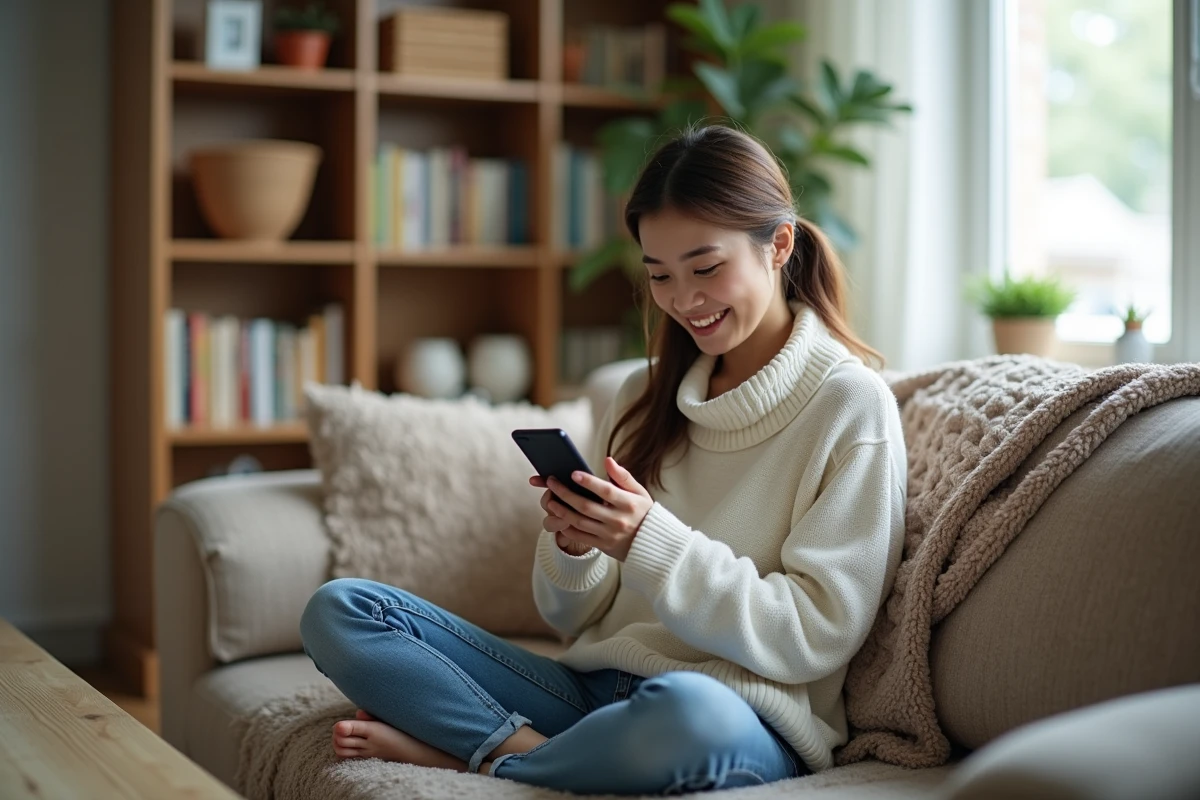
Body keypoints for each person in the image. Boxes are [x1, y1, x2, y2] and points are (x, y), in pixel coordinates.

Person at [299, 124, 907, 795]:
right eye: (660, 276)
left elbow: (814, 634)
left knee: (685, 715)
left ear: (779, 244)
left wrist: (649, 540)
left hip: (732, 715)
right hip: (589, 692)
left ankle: (491, 754)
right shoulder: (642, 397)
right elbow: (569, 617)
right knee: (342, 610)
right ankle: (538, 749)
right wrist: (577, 546)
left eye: (706, 268)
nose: (683, 300)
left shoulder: (849, 405)